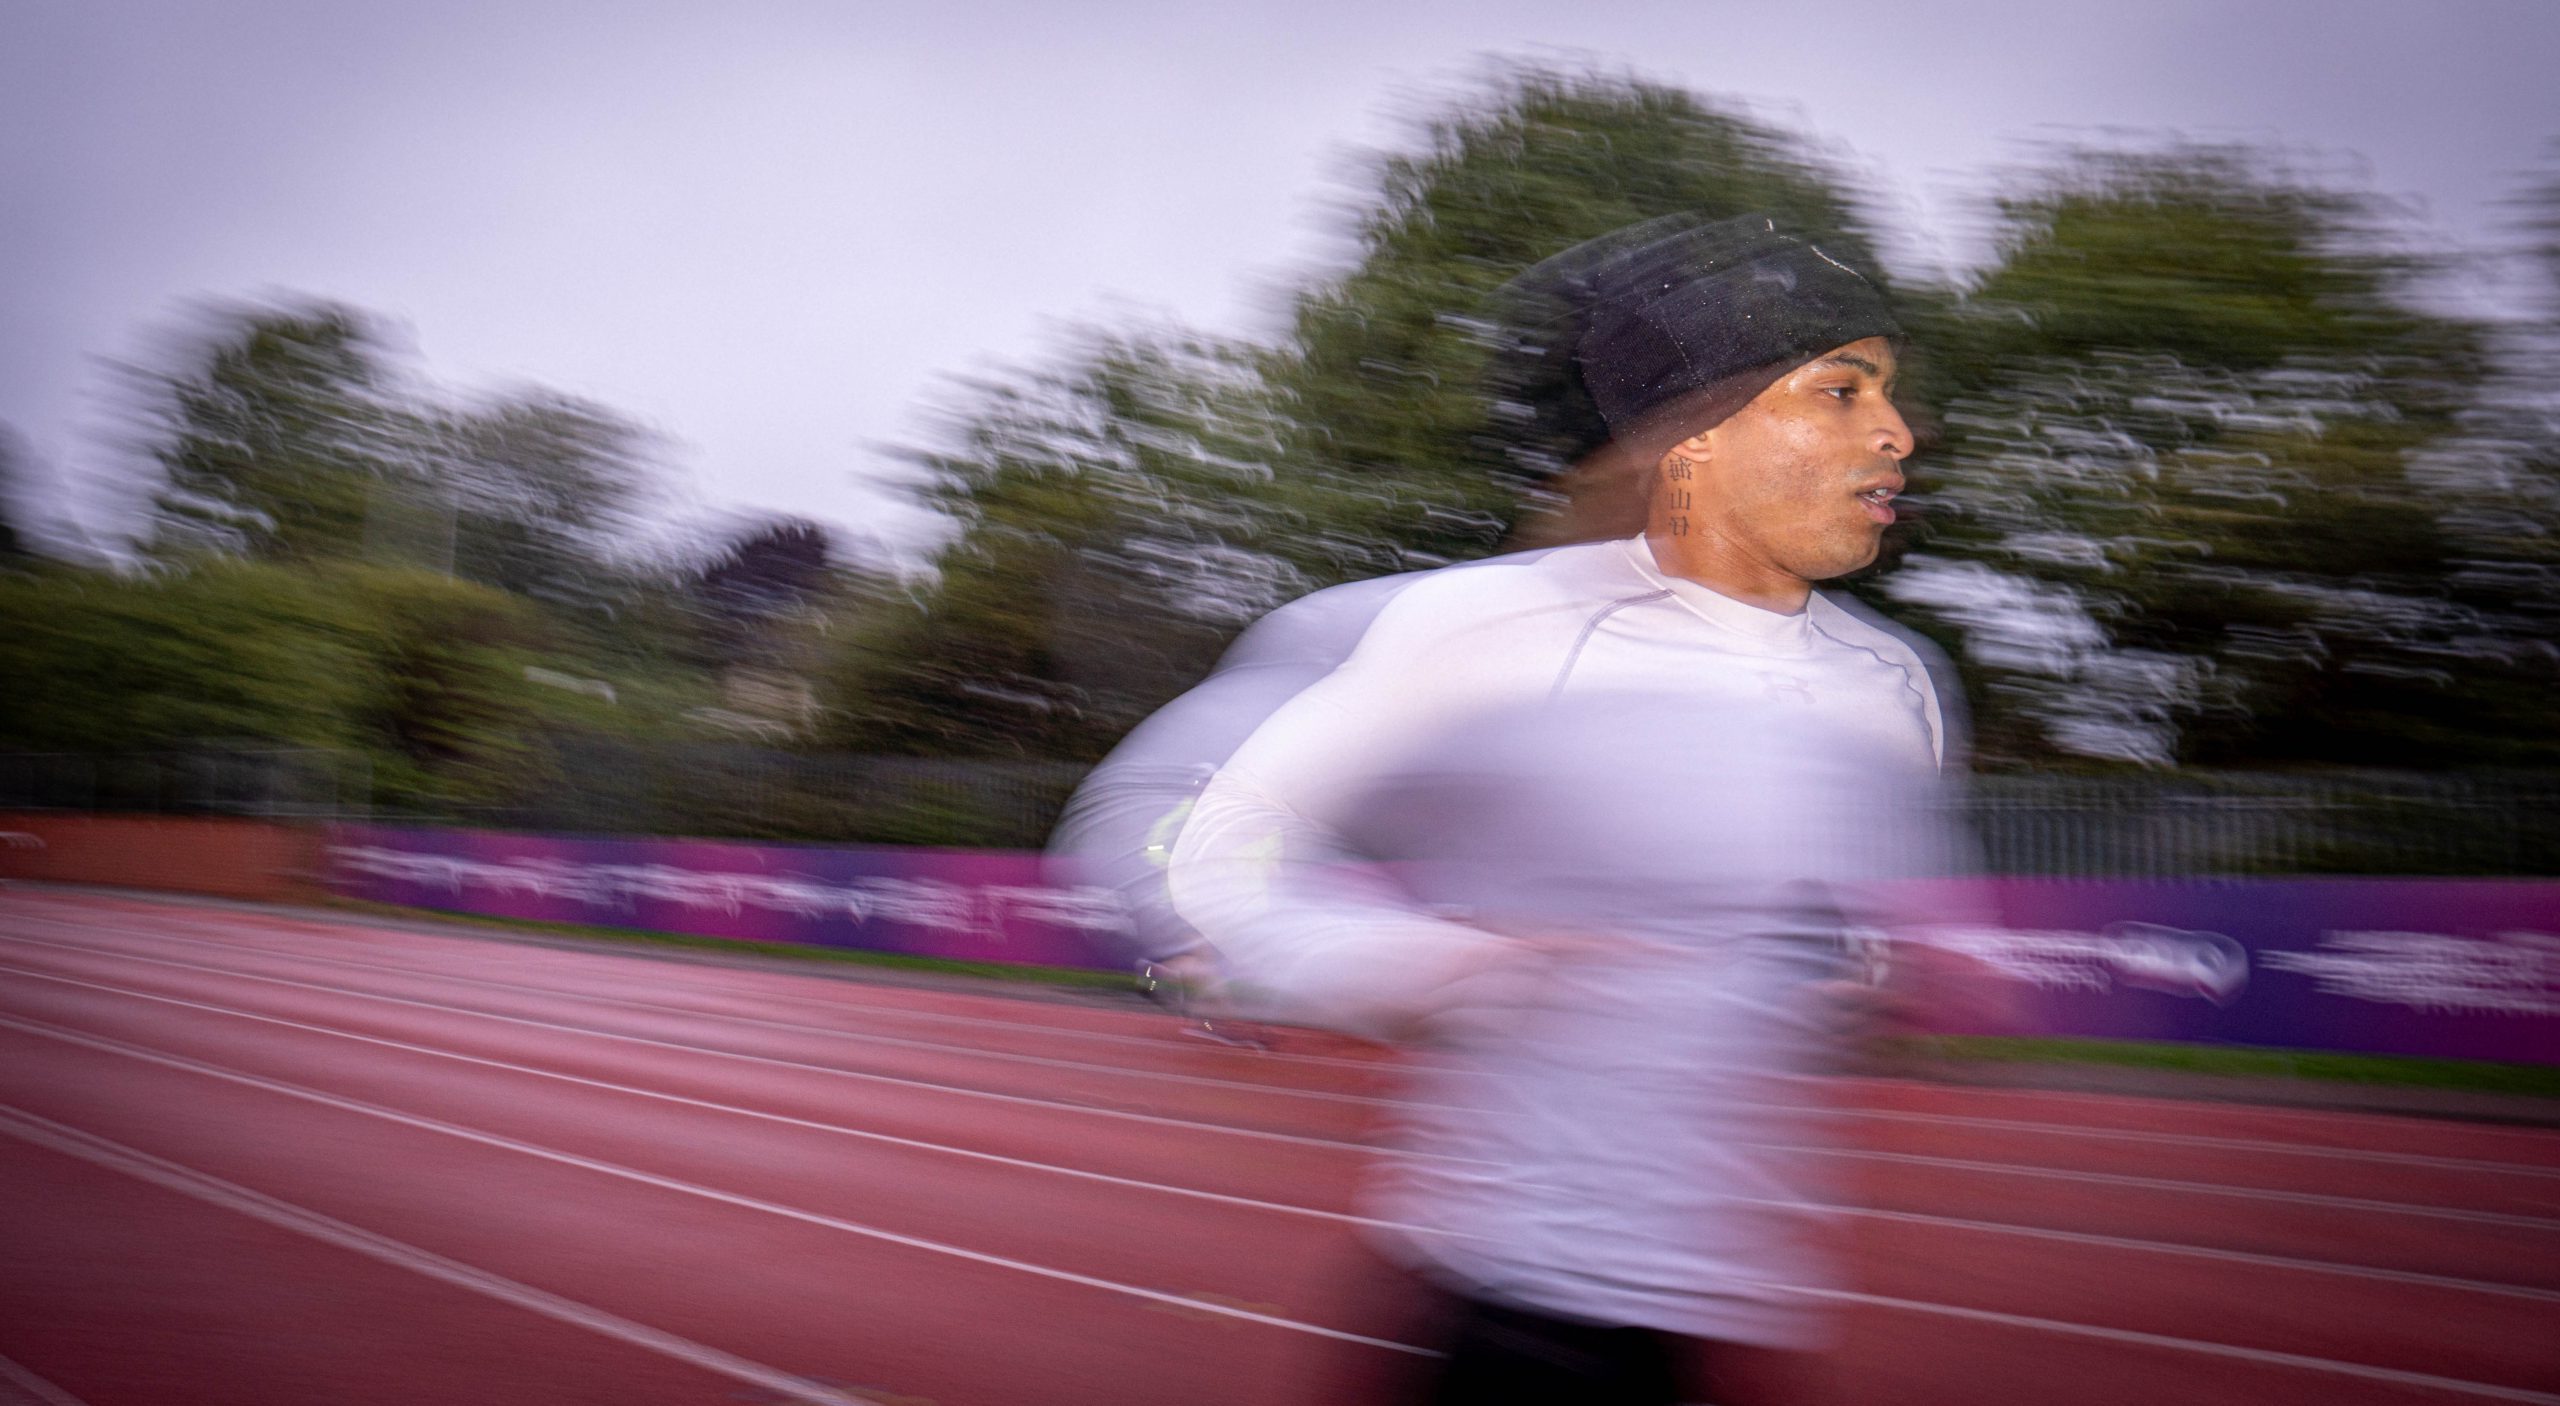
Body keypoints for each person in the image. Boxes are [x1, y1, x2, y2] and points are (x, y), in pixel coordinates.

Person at [1152, 214, 1964, 1404]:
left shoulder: (1885, 685)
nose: (1893, 433)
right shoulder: (1470, 636)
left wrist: (1872, 984)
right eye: (1831, 395)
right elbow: (1201, 843)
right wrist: (1425, 963)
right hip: (1512, 1295)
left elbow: (1867, 948)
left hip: (1724, 1309)